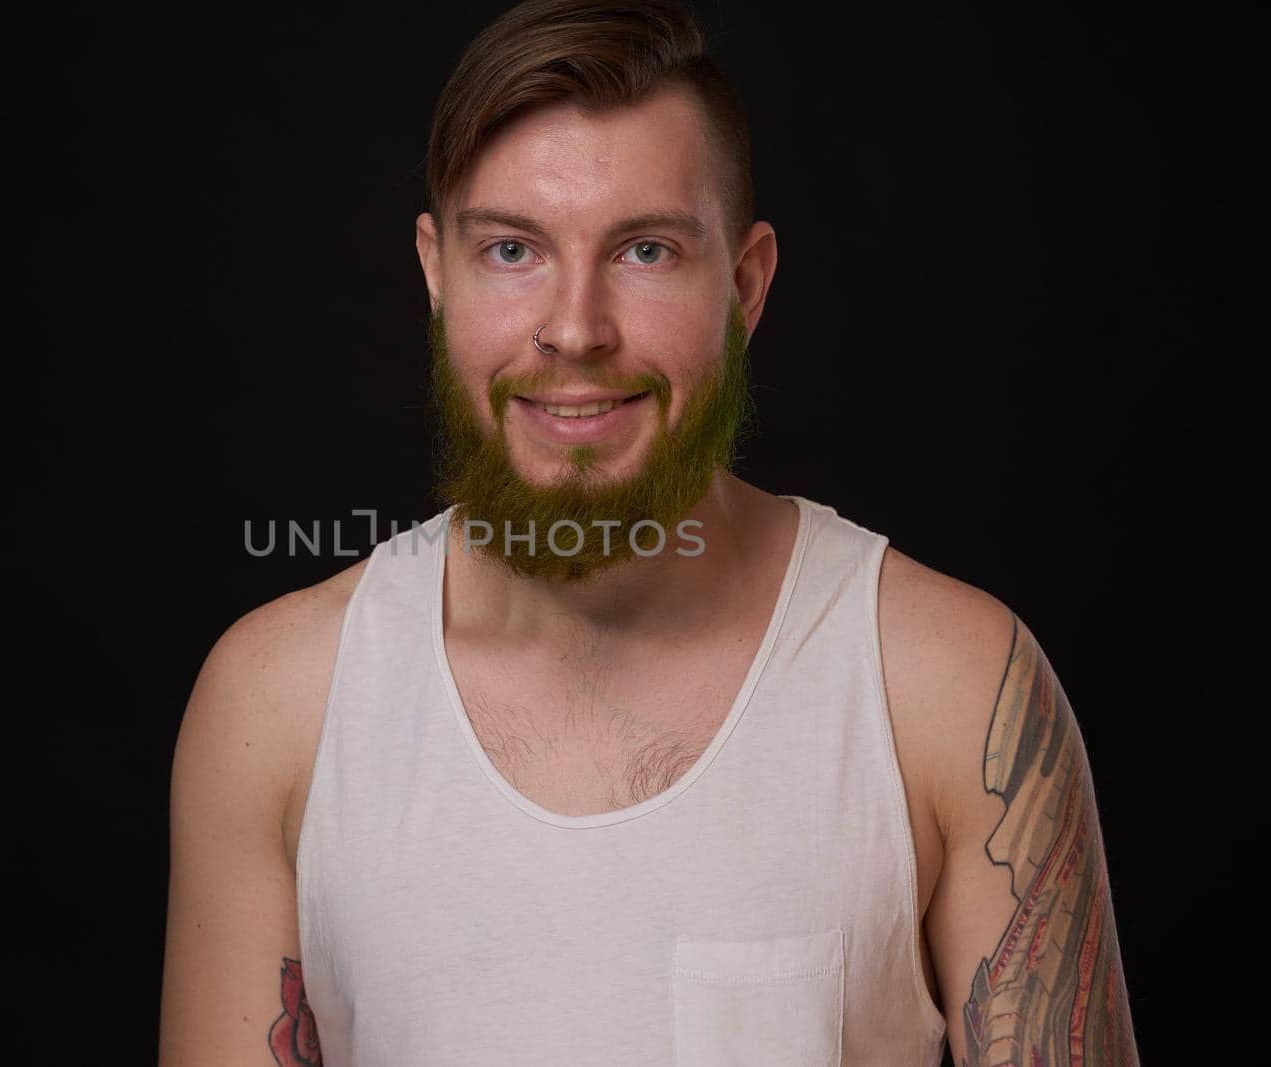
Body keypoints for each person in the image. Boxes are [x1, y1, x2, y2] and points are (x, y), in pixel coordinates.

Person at [158, 1, 1140, 1063]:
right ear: (437, 273)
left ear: (744, 285)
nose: (575, 327)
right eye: (510, 249)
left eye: (646, 250)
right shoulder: (277, 699)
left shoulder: (951, 684)